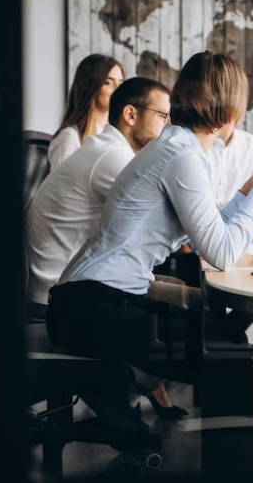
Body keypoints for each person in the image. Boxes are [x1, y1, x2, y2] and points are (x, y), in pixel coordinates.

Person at [46, 51, 253, 472]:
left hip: (88, 300)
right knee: (225, 353)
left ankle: (252, 457)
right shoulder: (182, 157)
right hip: (90, 308)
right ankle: (250, 463)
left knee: (226, 343)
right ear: (230, 110)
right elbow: (219, 251)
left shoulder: (178, 148)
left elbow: (207, 224)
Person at [27, 77, 187, 417]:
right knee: (176, 305)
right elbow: (170, 218)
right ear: (131, 114)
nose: (169, 128)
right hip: (66, 294)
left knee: (172, 293)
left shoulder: (104, 149)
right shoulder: (112, 158)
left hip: (67, 282)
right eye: (164, 117)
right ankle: (127, 395)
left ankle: (136, 394)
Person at [49, 54, 124, 169]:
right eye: (108, 82)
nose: (118, 90)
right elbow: (61, 186)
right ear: (90, 86)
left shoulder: (114, 135)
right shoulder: (69, 138)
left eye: (120, 83)